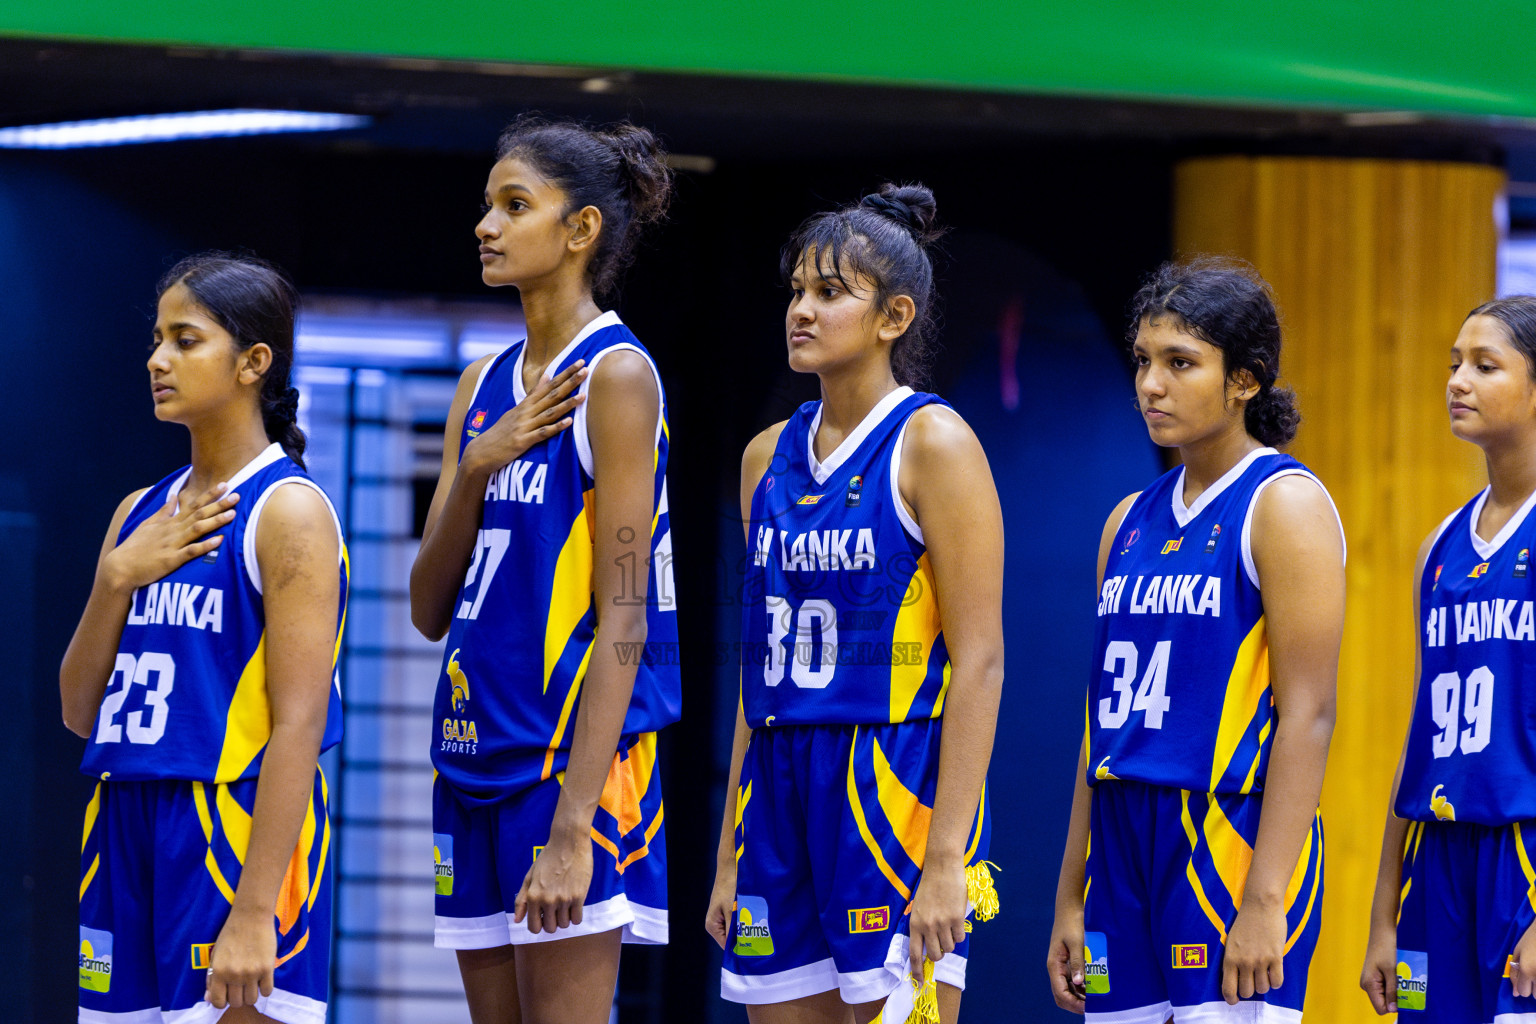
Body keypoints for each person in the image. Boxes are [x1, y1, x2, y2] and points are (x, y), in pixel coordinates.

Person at [706, 183, 1004, 1024]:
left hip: (890, 783)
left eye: (831, 292)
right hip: (777, 787)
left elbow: (981, 662)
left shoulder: (933, 443)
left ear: (894, 317)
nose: (802, 309)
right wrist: (729, 849)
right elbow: (757, 673)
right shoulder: (765, 457)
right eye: (798, 289)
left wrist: (946, 858)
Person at [408, 115, 680, 1024]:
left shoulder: (617, 376)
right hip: (469, 755)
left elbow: (628, 615)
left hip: (565, 769)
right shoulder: (480, 386)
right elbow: (426, 607)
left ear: (580, 229)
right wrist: (475, 466)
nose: (485, 225)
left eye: (514, 205)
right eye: (487, 204)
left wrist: (574, 826)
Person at [1047, 258, 1345, 1022]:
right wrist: (1070, 894)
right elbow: (1098, 724)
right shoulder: (1126, 520)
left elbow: (1308, 714)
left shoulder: (1282, 505)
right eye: (1143, 360)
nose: (1151, 384)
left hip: (1225, 836)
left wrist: (1266, 898)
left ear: (1244, 380)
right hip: (1121, 838)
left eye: (1180, 363)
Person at [62, 253, 347, 1024]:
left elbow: (300, 725)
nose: (157, 359)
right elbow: (78, 710)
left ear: (254, 362)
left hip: (231, 825)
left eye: (185, 340)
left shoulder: (287, 510)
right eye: (157, 340)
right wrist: (116, 576)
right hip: (123, 818)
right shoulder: (136, 514)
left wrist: (255, 909)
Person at [1360, 297, 1536, 1021]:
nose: (1457, 381)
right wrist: (1382, 914)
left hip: (1522, 855)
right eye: (1455, 364)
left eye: (1485, 366)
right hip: (1436, 859)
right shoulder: (1439, 547)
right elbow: (1420, 735)